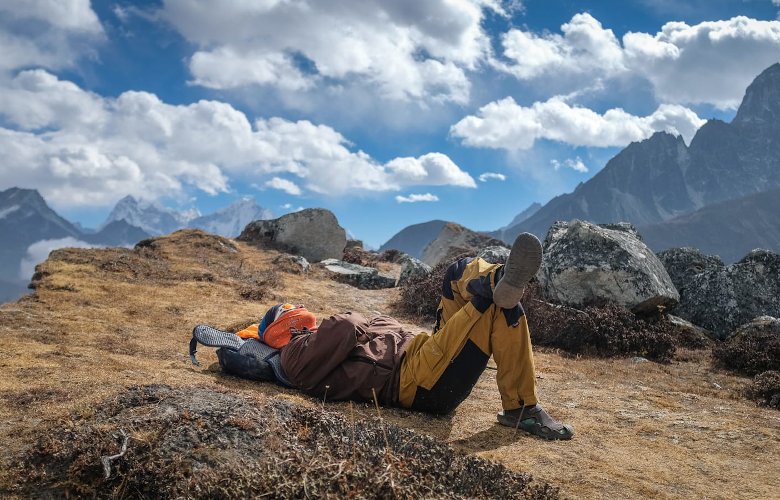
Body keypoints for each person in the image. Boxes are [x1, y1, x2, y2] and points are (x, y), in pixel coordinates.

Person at [278, 233, 574, 440]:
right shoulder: (292, 352)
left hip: (425, 359)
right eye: (288, 310)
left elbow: (365, 334)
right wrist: (350, 321)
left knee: (457, 273)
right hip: (415, 381)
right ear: (280, 327)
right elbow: (348, 325)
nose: (299, 308)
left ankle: (498, 277)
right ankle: (522, 409)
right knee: (496, 307)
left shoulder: (311, 344)